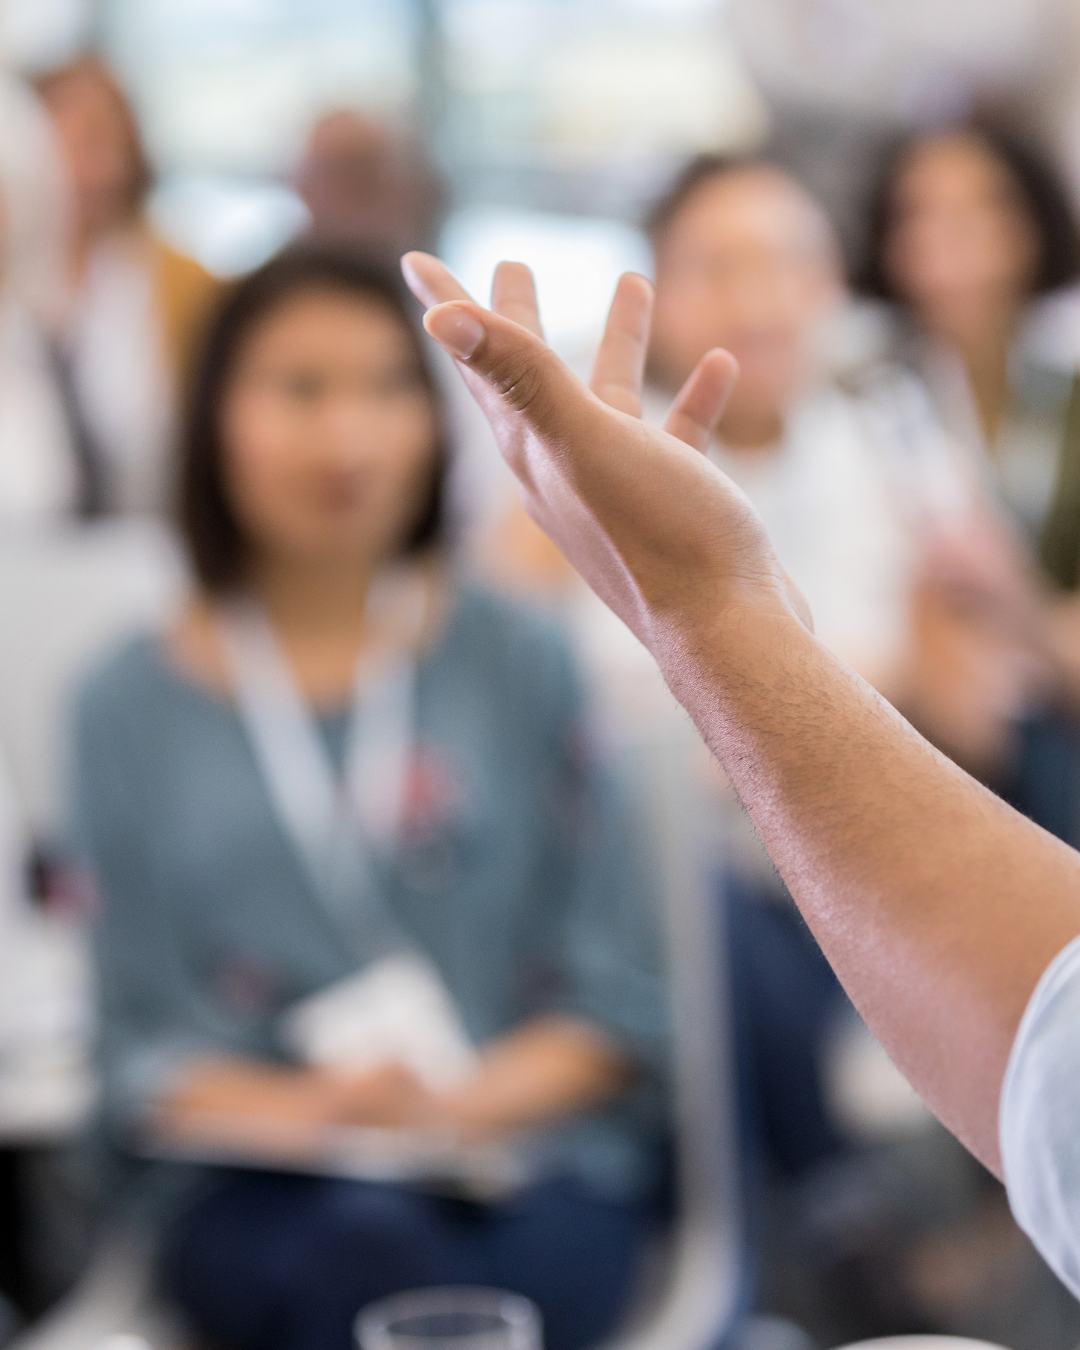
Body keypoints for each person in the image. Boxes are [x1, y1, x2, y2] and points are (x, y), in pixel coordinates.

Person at [401, 247, 1080, 1306]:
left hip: (848, 869)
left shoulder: (883, 453)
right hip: (667, 867)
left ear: (831, 293)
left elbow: (977, 720)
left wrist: (744, 643)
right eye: (721, 266)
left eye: (785, 264)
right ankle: (827, 1203)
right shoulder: (595, 465)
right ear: (666, 293)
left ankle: (822, 1211)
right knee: (695, 902)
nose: (755, 297)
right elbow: (518, 699)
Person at [71, 246, 668, 1350]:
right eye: (300, 389)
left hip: (530, 1160)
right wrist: (320, 1117)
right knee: (366, 1245)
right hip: (263, 1186)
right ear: (213, 418)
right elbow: (135, 1050)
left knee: (443, 1267)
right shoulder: (121, 709)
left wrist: (457, 1108)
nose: (349, 434)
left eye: (389, 387)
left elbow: (621, 993)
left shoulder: (523, 658)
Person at [859, 121, 1080, 721]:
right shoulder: (864, 390)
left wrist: (1020, 605)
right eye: (917, 214)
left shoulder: (1066, 394)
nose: (943, 238)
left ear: (1029, 224)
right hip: (915, 721)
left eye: (977, 208)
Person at [35, 55, 220, 517]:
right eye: (64, 144)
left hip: (152, 539)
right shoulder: (17, 282)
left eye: (101, 142)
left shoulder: (187, 283)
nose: (84, 169)